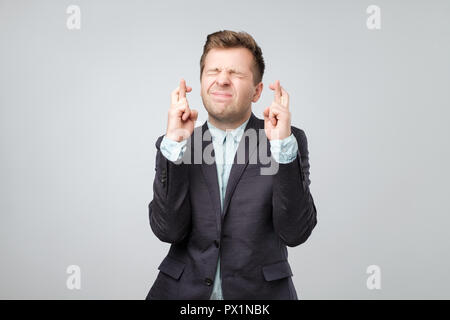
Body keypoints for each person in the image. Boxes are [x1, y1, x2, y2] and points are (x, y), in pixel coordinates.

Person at [146, 30, 317, 300]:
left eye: (236, 74)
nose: (222, 80)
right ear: (201, 82)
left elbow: (295, 232)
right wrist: (174, 146)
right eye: (213, 71)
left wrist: (283, 149)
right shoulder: (176, 143)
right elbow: (168, 230)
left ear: (257, 91)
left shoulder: (287, 140)